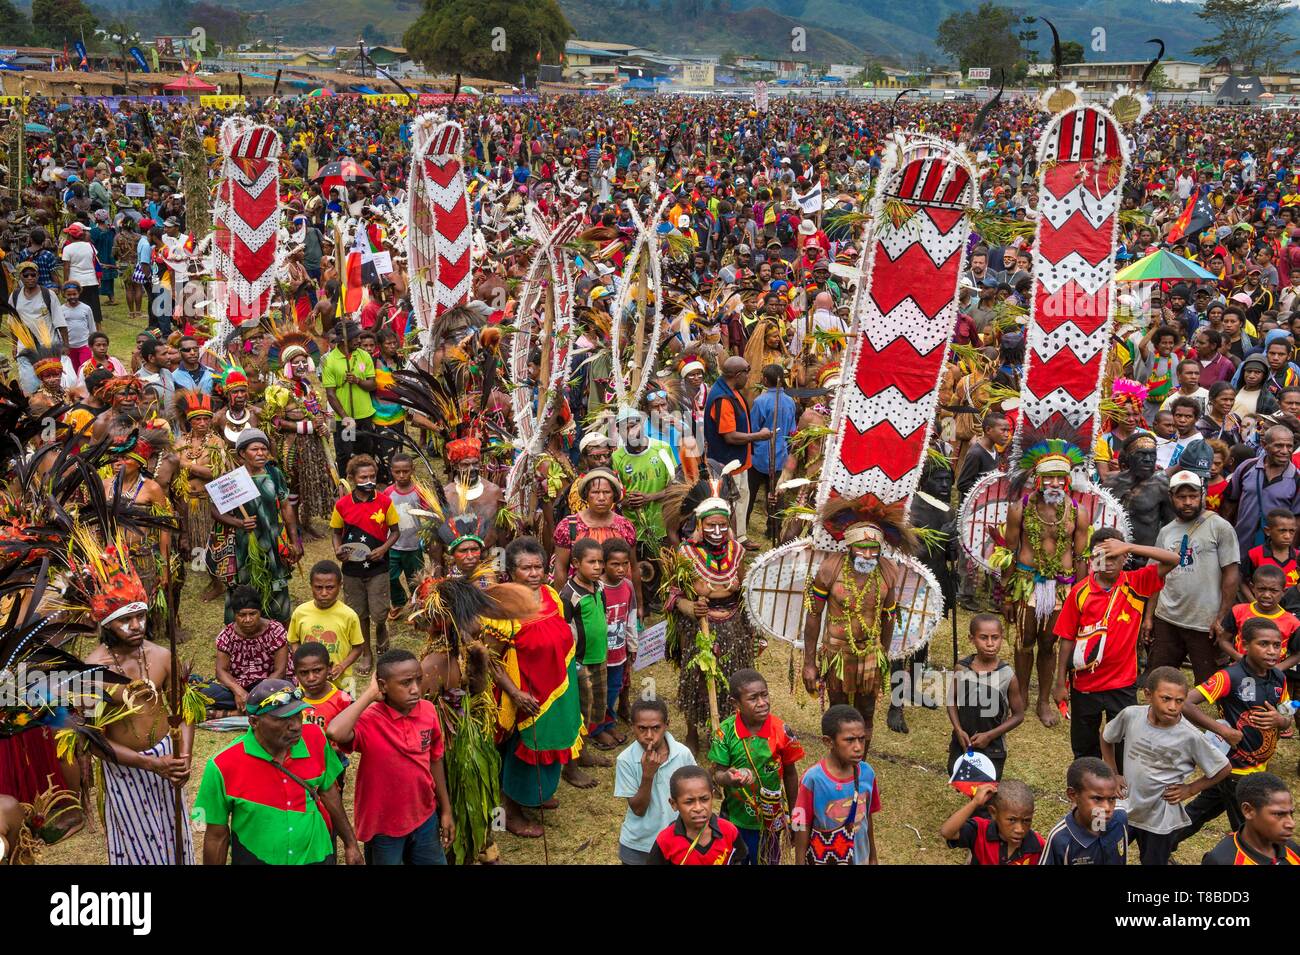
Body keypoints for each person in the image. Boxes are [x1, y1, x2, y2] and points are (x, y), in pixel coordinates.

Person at [78, 545, 195, 865]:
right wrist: (148, 764)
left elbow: (186, 712)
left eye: (140, 616)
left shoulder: (161, 656)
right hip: (124, 769)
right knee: (138, 852)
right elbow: (93, 741)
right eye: (125, 620)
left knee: (176, 842)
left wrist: (182, 757)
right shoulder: (92, 672)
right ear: (106, 624)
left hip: (167, 761)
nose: (137, 626)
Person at [479, 537, 586, 834]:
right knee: (523, 749)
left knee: (553, 741)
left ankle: (536, 794)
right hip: (524, 696)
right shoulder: (502, 606)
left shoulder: (551, 594)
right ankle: (511, 811)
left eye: (539, 566)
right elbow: (489, 657)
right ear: (511, 572)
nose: (534, 573)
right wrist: (515, 693)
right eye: (526, 569)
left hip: (559, 687)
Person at [193, 679, 361, 865]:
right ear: (254, 722)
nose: (296, 726)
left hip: (317, 856)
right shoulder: (222, 766)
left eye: (298, 715)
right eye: (283, 719)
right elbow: (216, 836)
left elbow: (329, 792)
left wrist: (350, 844)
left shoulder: (315, 738)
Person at [1052, 528, 1178, 760]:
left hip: (1122, 683)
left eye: (1114, 556)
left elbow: (1173, 559)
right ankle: (1086, 786)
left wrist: (1129, 546)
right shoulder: (1079, 592)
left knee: (1123, 741)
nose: (1108, 563)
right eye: (1102, 556)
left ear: (1124, 558)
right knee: (1084, 743)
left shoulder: (1137, 583)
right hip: (1085, 683)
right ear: (1092, 558)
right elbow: (1067, 639)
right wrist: (1060, 682)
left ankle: (1119, 785)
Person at [326, 650, 454, 865]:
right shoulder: (368, 720)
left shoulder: (428, 711)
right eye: (405, 683)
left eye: (418, 680)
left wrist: (446, 810)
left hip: (424, 816)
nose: (415, 689)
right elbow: (335, 732)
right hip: (383, 826)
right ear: (383, 686)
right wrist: (368, 695)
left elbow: (435, 759)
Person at [1176, 617, 1292, 843]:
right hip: (1234, 770)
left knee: (1198, 814)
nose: (1271, 651)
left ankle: (1158, 847)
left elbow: (1287, 719)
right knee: (1249, 830)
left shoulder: (1279, 677)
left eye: (1276, 645)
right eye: (1263, 644)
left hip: (1256, 768)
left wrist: (1281, 720)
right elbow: (1185, 703)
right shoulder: (1229, 676)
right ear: (1245, 645)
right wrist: (1222, 729)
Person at [1099, 667, 1231, 865]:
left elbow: (1224, 768)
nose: (1173, 707)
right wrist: (1113, 773)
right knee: (1104, 854)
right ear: (1148, 695)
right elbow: (1107, 737)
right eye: (1166, 698)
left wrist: (1191, 789)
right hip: (1126, 807)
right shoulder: (1131, 715)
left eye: (1179, 701)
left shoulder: (1190, 736)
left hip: (1159, 818)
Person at [1002, 438, 1091, 727]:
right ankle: (1021, 698)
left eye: (1059, 478)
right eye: (1048, 478)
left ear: (1067, 481)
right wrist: (1006, 594)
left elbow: (1080, 557)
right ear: (1037, 480)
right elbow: (1008, 553)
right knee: (1024, 640)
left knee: (1050, 643)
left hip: (1061, 587)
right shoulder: (1020, 508)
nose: (1053, 483)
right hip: (1027, 583)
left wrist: (1079, 597)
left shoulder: (1078, 512)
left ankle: (1042, 701)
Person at [667, 488, 754, 753]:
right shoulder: (685, 553)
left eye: (722, 525)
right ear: (700, 525)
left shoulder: (737, 551)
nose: (717, 530)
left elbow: (742, 592)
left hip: (731, 625)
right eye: (710, 525)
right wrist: (691, 608)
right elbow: (672, 596)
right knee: (695, 679)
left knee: (731, 677)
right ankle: (692, 731)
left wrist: (750, 629)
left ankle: (729, 728)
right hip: (698, 626)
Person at [1149, 470, 1241, 685]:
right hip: (1168, 617)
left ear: (1203, 495)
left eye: (1193, 496)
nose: (1188, 502)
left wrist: (1222, 617)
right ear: (1171, 498)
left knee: (1209, 685)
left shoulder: (1220, 527)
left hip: (1205, 622)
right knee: (1160, 678)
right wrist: (1148, 617)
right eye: (1181, 497)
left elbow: (1231, 574)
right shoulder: (1167, 531)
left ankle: (1204, 720)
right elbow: (1155, 575)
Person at [708, 669, 804, 865]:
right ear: (735, 703)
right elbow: (717, 773)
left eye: (765, 694)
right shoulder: (724, 733)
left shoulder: (782, 731)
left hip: (772, 819)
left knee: (769, 860)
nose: (762, 703)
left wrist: (795, 816)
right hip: (736, 819)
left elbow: (791, 775)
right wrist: (729, 777)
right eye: (753, 698)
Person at [210, 429, 300, 623]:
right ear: (242, 453)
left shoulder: (274, 474)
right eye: (255, 449)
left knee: (277, 590)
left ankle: (277, 636)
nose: (261, 453)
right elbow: (215, 510)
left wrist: (295, 540)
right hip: (244, 545)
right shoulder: (233, 479)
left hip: (273, 541)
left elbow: (286, 506)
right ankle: (243, 634)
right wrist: (239, 523)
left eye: (264, 449)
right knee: (244, 587)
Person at [331, 454, 400, 669]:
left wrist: (382, 549)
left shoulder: (385, 502)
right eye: (363, 477)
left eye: (372, 476)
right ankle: (366, 653)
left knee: (380, 613)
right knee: (359, 614)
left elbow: (395, 532)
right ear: (352, 478)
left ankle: (381, 629)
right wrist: (337, 550)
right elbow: (335, 533)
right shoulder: (342, 505)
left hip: (378, 567)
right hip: (352, 570)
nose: (368, 481)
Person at [792, 704, 880, 865]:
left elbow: (867, 817)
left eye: (861, 739)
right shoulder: (813, 780)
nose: (858, 747)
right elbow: (801, 824)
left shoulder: (867, 774)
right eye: (849, 740)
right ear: (828, 742)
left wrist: (873, 857)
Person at [613, 698, 696, 865]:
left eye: (656, 728)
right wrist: (648, 775)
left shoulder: (682, 753)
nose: (649, 736)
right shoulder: (626, 760)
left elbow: (695, 793)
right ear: (632, 727)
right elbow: (638, 809)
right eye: (642, 728)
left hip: (678, 840)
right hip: (639, 846)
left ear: (667, 725)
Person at [703, 355, 771, 548]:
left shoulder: (731, 391)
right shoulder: (723, 399)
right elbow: (730, 436)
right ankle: (733, 539)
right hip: (727, 462)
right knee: (732, 502)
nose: (748, 378)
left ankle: (740, 537)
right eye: (747, 374)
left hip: (739, 461)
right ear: (737, 374)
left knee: (742, 498)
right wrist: (759, 436)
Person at [946, 613, 1023, 781]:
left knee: (986, 788)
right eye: (983, 638)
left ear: (1002, 638)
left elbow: (1018, 716)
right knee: (957, 775)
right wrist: (958, 730)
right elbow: (951, 700)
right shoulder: (962, 668)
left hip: (992, 747)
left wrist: (990, 735)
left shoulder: (1007, 675)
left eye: (995, 638)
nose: (990, 644)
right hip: (963, 741)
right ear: (971, 639)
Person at [558, 538, 612, 773]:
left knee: (593, 709)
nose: (598, 567)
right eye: (592, 562)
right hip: (579, 663)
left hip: (599, 658)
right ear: (577, 563)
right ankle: (571, 765)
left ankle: (583, 752)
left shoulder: (599, 587)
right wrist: (572, 663)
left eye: (601, 562)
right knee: (577, 713)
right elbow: (564, 630)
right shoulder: (569, 595)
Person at [1221, 425, 1300, 559]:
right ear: (1264, 444)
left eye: (1289, 446)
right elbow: (1229, 504)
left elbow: (1297, 520)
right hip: (1239, 548)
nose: (1285, 451)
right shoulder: (1247, 467)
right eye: (1279, 446)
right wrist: (1223, 540)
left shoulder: (1296, 478)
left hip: (1274, 554)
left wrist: (1289, 555)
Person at [646, 765, 748, 865]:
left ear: (712, 797)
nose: (698, 808)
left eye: (704, 799)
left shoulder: (729, 831)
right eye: (689, 802)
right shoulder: (665, 841)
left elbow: (738, 857)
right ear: (674, 804)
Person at [213, 586, 290, 713]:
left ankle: (235, 712)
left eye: (252, 614)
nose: (248, 620)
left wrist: (256, 694)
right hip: (239, 685)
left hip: (269, 685)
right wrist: (238, 691)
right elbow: (221, 671)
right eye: (242, 615)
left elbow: (280, 671)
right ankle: (254, 709)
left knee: (286, 691)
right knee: (207, 694)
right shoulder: (227, 635)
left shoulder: (276, 631)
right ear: (234, 614)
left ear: (260, 612)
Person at [1038, 757, 1130, 865]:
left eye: (1112, 799)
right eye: (1097, 799)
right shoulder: (1060, 839)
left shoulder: (1120, 818)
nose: (1107, 808)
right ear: (1073, 795)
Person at [288, 561, 366, 685]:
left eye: (330, 587)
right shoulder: (300, 612)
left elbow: (358, 647)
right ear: (311, 585)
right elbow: (293, 641)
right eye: (318, 587)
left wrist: (342, 666)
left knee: (345, 705)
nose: (324, 593)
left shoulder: (349, 615)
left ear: (340, 586)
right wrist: (301, 663)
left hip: (341, 682)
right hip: (309, 681)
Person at [1202, 772, 1300, 865]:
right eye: (1279, 814)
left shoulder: (1293, 850)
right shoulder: (1222, 860)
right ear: (1248, 810)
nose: (1291, 824)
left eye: (1291, 813)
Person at [939, 780, 1043, 865]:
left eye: (1026, 820)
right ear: (993, 813)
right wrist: (974, 803)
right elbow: (947, 832)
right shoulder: (980, 831)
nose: (1020, 829)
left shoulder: (1038, 845)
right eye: (1012, 820)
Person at [747, 363, 798, 534]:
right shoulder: (790, 401)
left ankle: (743, 527)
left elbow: (754, 429)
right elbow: (792, 430)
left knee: (750, 493)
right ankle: (774, 530)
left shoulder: (760, 401)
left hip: (759, 455)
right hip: (780, 453)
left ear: (765, 380)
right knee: (777, 494)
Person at [321, 321, 377, 475]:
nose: (359, 340)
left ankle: (368, 479)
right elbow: (330, 394)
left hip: (364, 415)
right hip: (345, 419)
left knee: (366, 452)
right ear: (343, 340)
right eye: (354, 338)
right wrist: (345, 417)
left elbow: (372, 384)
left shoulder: (364, 355)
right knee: (346, 453)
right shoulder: (329, 361)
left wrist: (358, 381)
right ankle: (344, 485)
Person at [1218, 564, 1300, 662]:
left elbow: (1297, 654)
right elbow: (1223, 640)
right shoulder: (1238, 611)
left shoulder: (1292, 622)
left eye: (1274, 591)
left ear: (1283, 592)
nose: (1266, 595)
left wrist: (1277, 669)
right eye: (1261, 589)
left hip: (1272, 674)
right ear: (1253, 587)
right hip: (1241, 671)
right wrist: (1239, 659)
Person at [599, 536, 638, 745]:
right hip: (599, 653)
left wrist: (632, 645)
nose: (621, 569)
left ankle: (609, 722)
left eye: (625, 564)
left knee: (614, 687)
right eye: (615, 564)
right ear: (603, 564)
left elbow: (631, 616)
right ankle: (596, 727)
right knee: (599, 689)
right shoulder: (597, 588)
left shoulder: (628, 586)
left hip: (619, 651)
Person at [384, 452, 431, 620]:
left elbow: (428, 513)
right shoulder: (388, 493)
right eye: (397, 472)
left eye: (406, 471)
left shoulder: (419, 491)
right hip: (393, 545)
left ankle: (417, 606)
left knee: (416, 579)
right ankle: (398, 601)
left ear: (413, 470)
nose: (402, 475)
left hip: (414, 546)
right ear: (392, 471)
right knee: (389, 576)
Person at [294, 642, 354, 746]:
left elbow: (353, 736)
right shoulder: (291, 697)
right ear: (296, 673)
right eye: (304, 673)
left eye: (317, 670)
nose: (311, 678)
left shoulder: (343, 700)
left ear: (329, 668)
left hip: (333, 758)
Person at [1241, 508, 1300, 598]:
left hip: (1293, 609)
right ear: (1267, 531)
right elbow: (1242, 582)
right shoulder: (1255, 555)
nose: (1287, 536)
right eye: (1282, 530)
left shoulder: (1298, 556)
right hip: (1263, 607)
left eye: (1291, 531)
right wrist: (1253, 602)